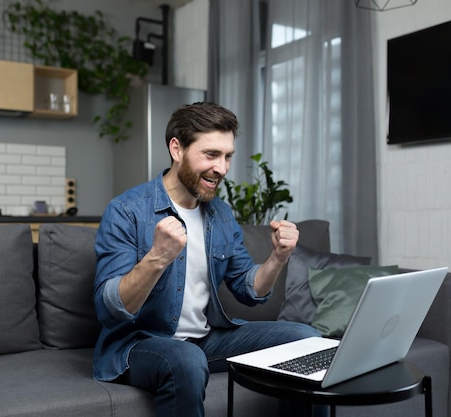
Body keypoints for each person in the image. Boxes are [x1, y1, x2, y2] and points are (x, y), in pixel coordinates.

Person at [93, 102, 324, 417]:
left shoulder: (220, 213)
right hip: (139, 344)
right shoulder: (127, 211)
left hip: (206, 340)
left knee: (307, 340)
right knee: (185, 358)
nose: (223, 168)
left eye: (227, 156)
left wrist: (278, 258)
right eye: (211, 155)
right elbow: (110, 309)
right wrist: (157, 258)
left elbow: (249, 289)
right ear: (177, 149)